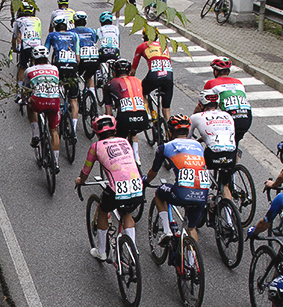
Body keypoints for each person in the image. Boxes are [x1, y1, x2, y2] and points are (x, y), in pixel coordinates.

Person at [75, 115, 144, 259]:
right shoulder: (125, 141)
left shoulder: (95, 147)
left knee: (102, 210)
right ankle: (133, 250)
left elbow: (86, 171)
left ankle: (101, 252)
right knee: (126, 213)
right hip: (137, 185)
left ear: (97, 132)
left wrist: (80, 180)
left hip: (116, 188)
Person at [143, 113, 209, 243]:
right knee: (192, 228)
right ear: (188, 130)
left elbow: (153, 172)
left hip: (182, 193)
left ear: (170, 131)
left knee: (160, 192)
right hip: (203, 193)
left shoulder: (166, 147)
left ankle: (167, 231)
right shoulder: (198, 146)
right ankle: (192, 260)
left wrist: (145, 181)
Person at [189, 89, 237, 197]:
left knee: (199, 172)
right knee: (225, 186)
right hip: (231, 153)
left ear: (200, 104)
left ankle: (204, 199)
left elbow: (186, 140)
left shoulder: (196, 117)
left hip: (213, 154)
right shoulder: (227, 115)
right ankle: (229, 210)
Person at [21, 46, 61, 171]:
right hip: (54, 101)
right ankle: (55, 162)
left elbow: (25, 89)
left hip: (38, 102)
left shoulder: (29, 70)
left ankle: (36, 134)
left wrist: (22, 99)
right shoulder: (55, 68)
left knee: (29, 105)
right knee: (54, 131)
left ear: (33, 59)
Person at [103, 58, 147, 167]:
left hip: (125, 118)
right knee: (134, 132)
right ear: (129, 72)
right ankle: (137, 157)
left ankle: (122, 162)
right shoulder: (138, 81)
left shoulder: (110, 84)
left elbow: (109, 113)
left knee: (118, 139)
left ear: (114, 72)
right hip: (143, 118)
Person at [202, 57, 252, 148]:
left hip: (231, 117)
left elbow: (203, 105)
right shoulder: (239, 82)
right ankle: (235, 159)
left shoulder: (211, 83)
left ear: (216, 71)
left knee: (213, 142)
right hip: (246, 117)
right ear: (228, 71)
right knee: (234, 143)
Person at [45, 16, 80, 137]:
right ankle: (74, 130)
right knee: (74, 99)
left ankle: (58, 117)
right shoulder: (74, 36)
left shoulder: (52, 35)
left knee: (57, 94)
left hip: (58, 67)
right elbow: (78, 57)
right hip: (72, 66)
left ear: (55, 26)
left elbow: (46, 52)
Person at [132, 27, 174, 124]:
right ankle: (170, 132)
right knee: (166, 109)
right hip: (168, 76)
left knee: (141, 92)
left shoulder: (142, 46)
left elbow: (133, 68)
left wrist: (131, 78)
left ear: (144, 36)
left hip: (154, 76)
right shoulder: (164, 47)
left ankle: (147, 114)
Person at [12, 7, 43, 98]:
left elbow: (15, 37)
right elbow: (39, 34)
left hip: (26, 46)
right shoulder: (37, 20)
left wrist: (14, 48)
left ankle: (19, 92)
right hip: (37, 45)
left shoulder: (19, 20)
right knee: (36, 66)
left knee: (22, 67)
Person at [72, 10, 100, 89]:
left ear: (74, 22)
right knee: (88, 77)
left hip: (81, 59)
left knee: (74, 76)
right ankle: (92, 95)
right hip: (94, 58)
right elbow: (94, 41)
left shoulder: (71, 32)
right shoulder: (92, 31)